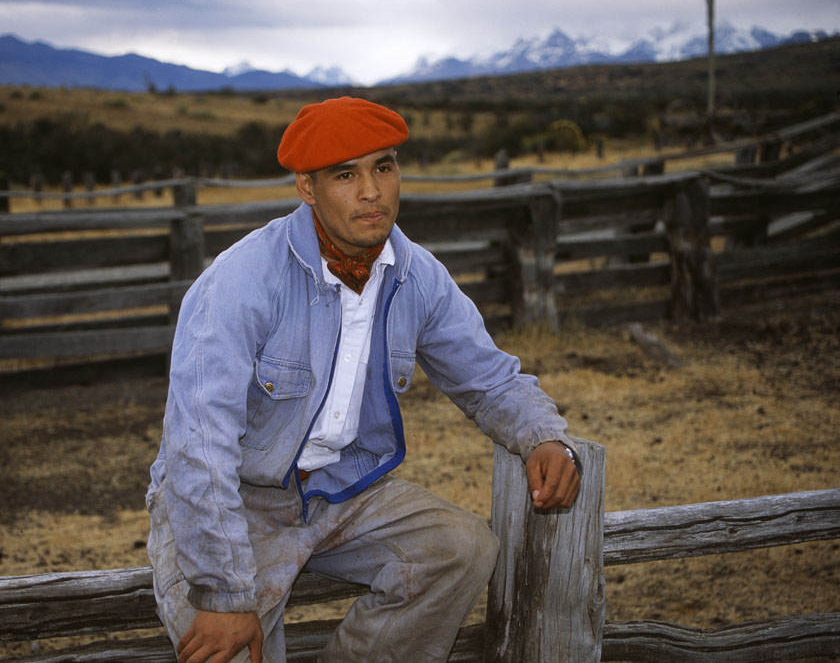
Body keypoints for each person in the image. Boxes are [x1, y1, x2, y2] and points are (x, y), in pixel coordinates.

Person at [146, 96, 581, 663]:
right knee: (232, 650)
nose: (372, 191)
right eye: (345, 175)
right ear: (307, 187)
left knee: (462, 547)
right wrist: (224, 593)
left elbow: (487, 379)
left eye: (384, 166)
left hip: (342, 490)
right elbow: (198, 447)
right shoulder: (239, 281)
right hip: (233, 500)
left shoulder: (416, 274)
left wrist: (543, 435)